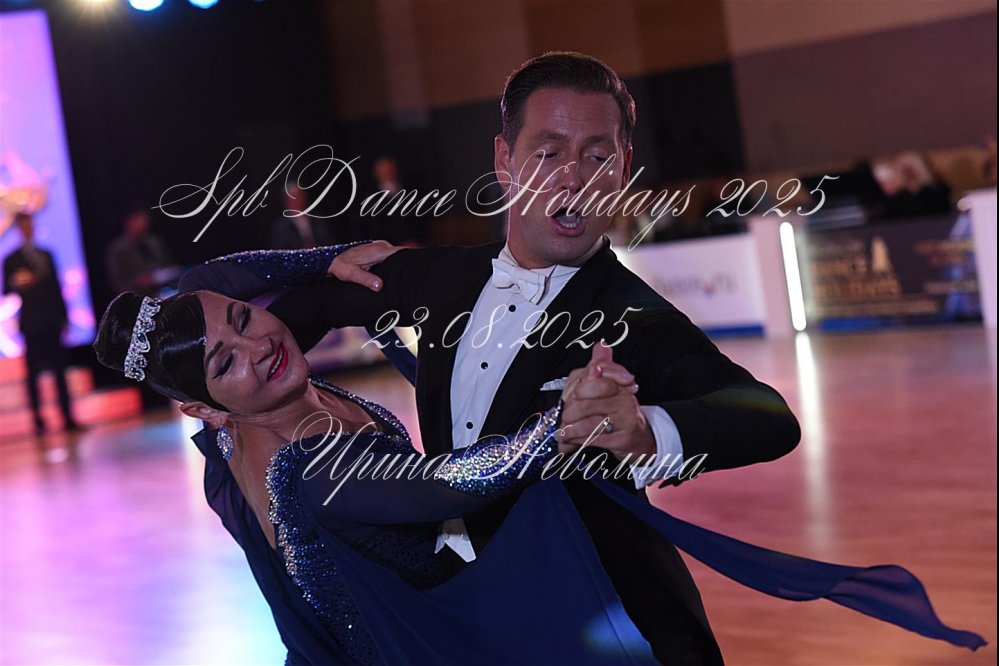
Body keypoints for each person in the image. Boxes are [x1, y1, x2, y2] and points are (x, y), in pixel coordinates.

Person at [186, 53, 984, 664]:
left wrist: (649, 431)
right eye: (547, 152)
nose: (573, 176)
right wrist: (222, 380)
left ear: (623, 171)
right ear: (504, 161)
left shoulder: (633, 315)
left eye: (598, 156)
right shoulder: (435, 277)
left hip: (612, 613)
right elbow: (289, 314)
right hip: (473, 612)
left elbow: (767, 418)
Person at [2, 211, 79, 434]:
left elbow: (56, 289)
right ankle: (38, 421)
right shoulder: (12, 260)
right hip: (31, 323)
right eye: (24, 226)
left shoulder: (46, 255)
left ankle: (67, 416)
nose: (28, 229)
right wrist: (20, 282)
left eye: (30, 225)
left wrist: (64, 318)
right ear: (19, 229)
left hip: (51, 320)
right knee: (33, 374)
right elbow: (7, 290)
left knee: (60, 371)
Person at [106, 209, 179, 295]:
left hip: (164, 291)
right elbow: (118, 283)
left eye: (144, 222)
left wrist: (167, 273)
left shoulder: (154, 243)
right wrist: (140, 281)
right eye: (138, 221)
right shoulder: (117, 250)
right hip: (136, 296)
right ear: (128, 223)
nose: (142, 225)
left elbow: (170, 265)